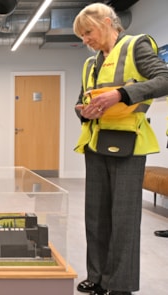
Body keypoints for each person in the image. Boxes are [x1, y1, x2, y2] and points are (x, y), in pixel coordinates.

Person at [72, 3, 168, 295]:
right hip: (95, 145)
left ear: (106, 22)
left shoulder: (135, 47)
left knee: (123, 218)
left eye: (87, 32)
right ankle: (98, 277)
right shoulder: (90, 64)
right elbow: (82, 100)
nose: (85, 40)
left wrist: (122, 94)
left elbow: (164, 79)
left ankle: (120, 285)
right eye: (82, 36)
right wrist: (82, 111)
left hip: (129, 146)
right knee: (96, 216)